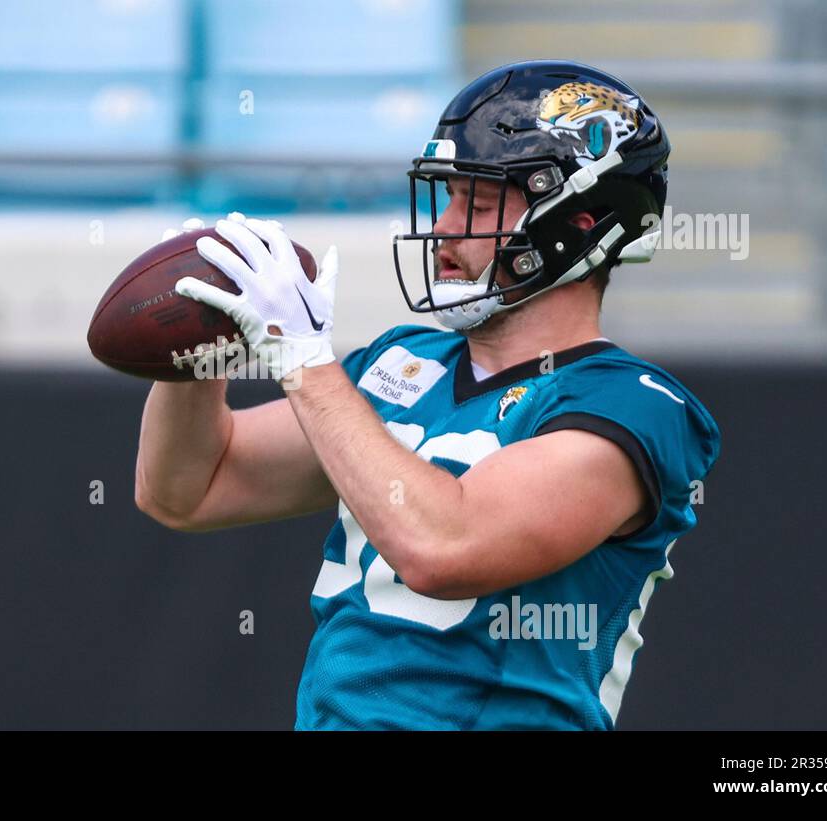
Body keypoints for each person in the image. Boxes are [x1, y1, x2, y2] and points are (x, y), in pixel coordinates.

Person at [134, 60, 721, 730]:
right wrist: (202, 337)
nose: (444, 230)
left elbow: (445, 548)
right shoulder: (400, 362)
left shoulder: (633, 405)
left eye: (476, 202)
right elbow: (187, 488)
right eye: (448, 199)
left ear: (580, 224)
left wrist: (301, 358)